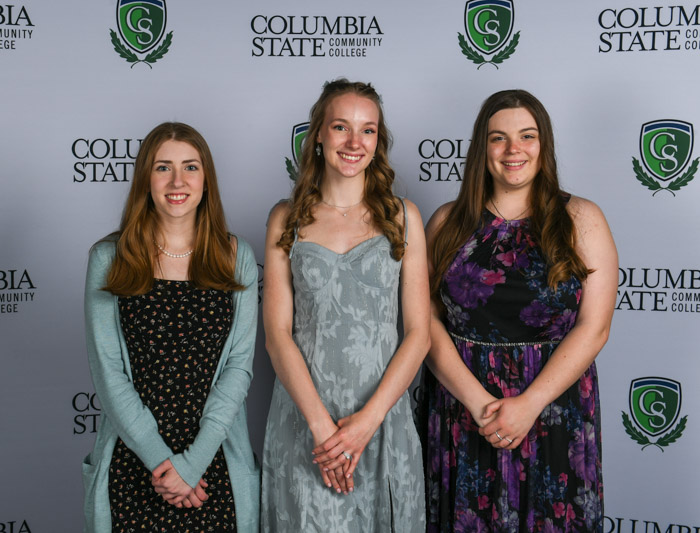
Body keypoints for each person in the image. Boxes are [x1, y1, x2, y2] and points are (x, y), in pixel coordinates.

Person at [419, 90, 617, 532]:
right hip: (462, 409)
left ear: (543, 144)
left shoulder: (582, 219)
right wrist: (479, 404)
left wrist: (528, 404)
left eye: (527, 136)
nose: (514, 150)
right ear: (481, 148)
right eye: (499, 138)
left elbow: (595, 327)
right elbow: (426, 323)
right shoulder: (446, 223)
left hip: (553, 409)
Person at [261, 79, 430, 532]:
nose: (355, 142)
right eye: (341, 127)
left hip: (381, 419)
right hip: (306, 424)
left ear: (379, 141)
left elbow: (419, 333)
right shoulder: (286, 218)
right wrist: (323, 430)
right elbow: (277, 334)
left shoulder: (403, 217)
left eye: (368, 130)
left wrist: (364, 424)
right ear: (318, 133)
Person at [81, 122, 260, 532]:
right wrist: (165, 466)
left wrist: (192, 465)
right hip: (135, 466)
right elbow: (109, 373)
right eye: (163, 167)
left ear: (206, 179)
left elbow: (238, 367)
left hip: (213, 464)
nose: (177, 181)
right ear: (146, 177)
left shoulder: (236, 258)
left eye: (190, 167)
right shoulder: (109, 258)